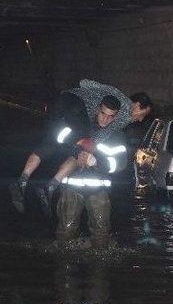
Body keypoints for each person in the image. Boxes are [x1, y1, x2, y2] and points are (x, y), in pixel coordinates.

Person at [10, 80, 153, 214]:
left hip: (63, 100)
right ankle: (49, 186)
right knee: (79, 141)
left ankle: (24, 180)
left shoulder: (114, 95)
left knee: (50, 143)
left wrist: (81, 87)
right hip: (74, 108)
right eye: (143, 114)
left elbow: (86, 82)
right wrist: (92, 150)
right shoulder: (123, 115)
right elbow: (101, 135)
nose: (140, 119)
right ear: (138, 104)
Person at [54, 95, 128, 248]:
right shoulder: (81, 124)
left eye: (110, 116)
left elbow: (120, 165)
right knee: (65, 232)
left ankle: (99, 270)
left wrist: (96, 162)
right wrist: (76, 150)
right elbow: (59, 141)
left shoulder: (117, 136)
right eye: (103, 113)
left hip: (98, 190)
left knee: (101, 234)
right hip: (71, 187)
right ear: (97, 110)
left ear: (116, 117)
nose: (105, 119)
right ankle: (64, 268)